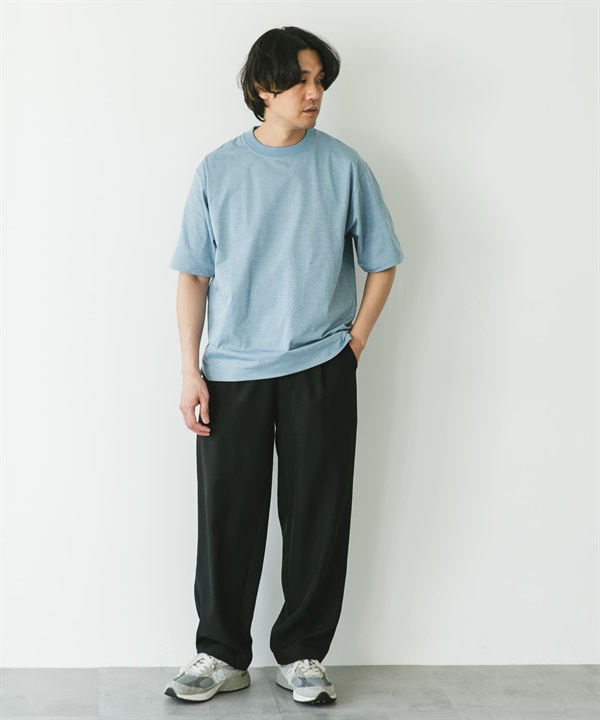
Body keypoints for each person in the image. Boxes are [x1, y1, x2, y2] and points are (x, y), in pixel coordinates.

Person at [163, 26, 404, 706]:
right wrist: (190, 371)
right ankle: (221, 654)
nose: (314, 92)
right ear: (262, 87)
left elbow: (382, 260)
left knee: (317, 514)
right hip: (231, 372)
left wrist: (354, 343)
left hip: (320, 364)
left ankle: (302, 654)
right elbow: (193, 276)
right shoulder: (217, 170)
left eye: (320, 80)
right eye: (300, 79)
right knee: (227, 516)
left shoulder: (344, 166)